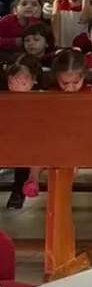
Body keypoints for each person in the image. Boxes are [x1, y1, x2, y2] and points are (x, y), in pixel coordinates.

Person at [4, 56, 41, 209]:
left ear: (33, 81)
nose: (18, 83)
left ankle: (29, 182)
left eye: (23, 80)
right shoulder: (4, 99)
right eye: (13, 80)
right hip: (7, 138)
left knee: (32, 153)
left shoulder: (40, 100)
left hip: (29, 142)